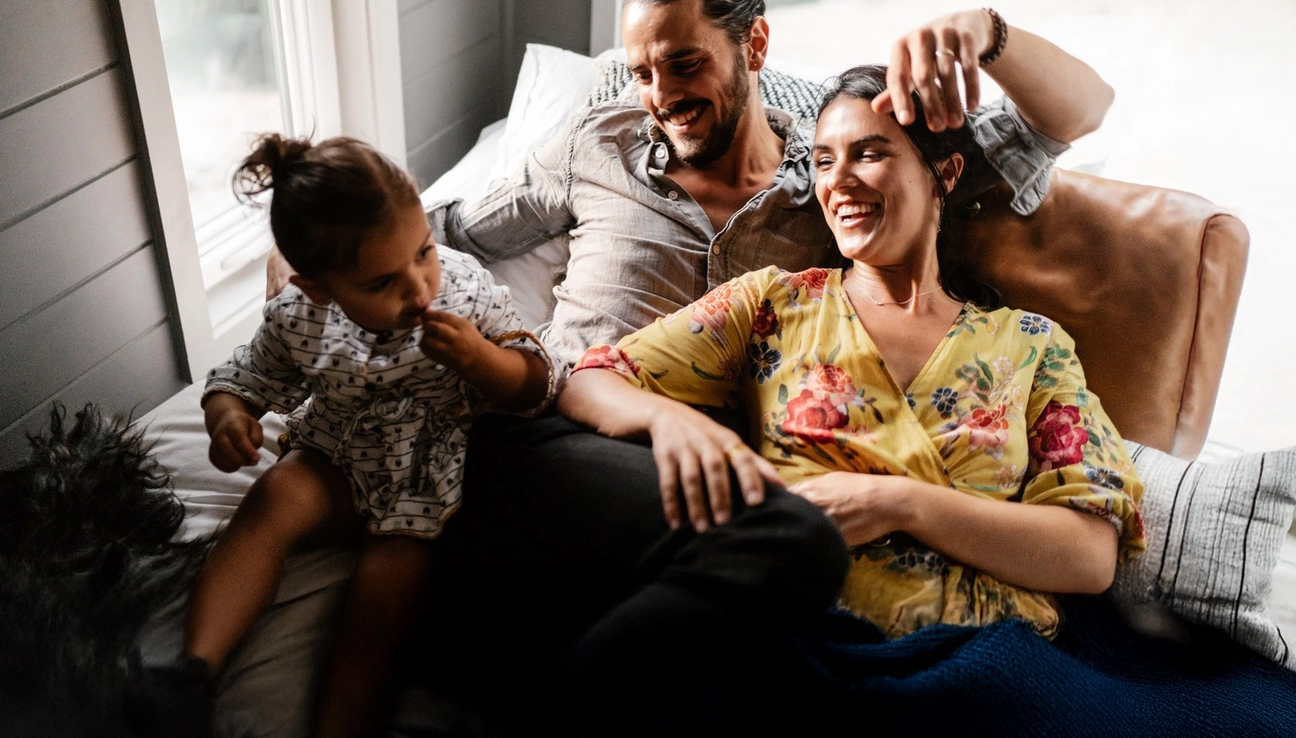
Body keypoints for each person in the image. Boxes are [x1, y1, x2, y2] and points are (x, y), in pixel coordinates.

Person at [257, 2, 1117, 734]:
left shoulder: (840, 183)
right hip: (559, 433)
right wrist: (302, 278)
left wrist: (985, 27)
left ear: (754, 47)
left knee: (760, 570)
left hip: (698, 519)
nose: (661, 97)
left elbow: (1070, 113)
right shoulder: (606, 148)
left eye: (683, 63)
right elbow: (439, 233)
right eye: (641, 72)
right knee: (787, 543)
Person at [557, 60, 1146, 722]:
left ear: (943, 175)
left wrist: (897, 502)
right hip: (805, 644)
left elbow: (1090, 554)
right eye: (824, 160)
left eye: (870, 153)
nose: (838, 181)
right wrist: (672, 424)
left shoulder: (1031, 344)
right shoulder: (774, 304)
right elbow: (590, 380)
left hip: (986, 664)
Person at [137, 135, 556, 738]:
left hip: (426, 484)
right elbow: (243, 377)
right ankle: (191, 671)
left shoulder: (461, 288)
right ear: (317, 287)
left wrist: (479, 360)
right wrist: (228, 416)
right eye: (382, 283)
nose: (418, 288)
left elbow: (537, 383)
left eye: (424, 252)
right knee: (274, 500)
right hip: (337, 456)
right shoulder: (298, 318)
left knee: (382, 597)